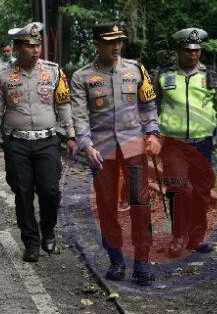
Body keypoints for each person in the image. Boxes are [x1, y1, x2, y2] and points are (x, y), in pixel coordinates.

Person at [70, 21, 161, 286]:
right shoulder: (82, 77)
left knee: (140, 203)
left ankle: (142, 262)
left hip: (133, 146)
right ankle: (116, 260)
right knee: (107, 206)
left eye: (119, 41)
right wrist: (86, 144)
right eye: (110, 42)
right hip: (101, 149)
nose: (116, 46)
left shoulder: (135, 70)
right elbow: (79, 115)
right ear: (97, 44)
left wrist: (153, 133)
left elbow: (148, 105)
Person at [0, 22, 77, 263]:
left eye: (37, 45)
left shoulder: (54, 72)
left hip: (47, 140)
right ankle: (31, 242)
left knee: (50, 190)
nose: (35, 50)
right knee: (23, 193)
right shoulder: (2, 76)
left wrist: (71, 135)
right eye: (29, 46)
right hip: (17, 143)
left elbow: (64, 104)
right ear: (17, 48)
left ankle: (48, 230)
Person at [154, 28, 217, 257]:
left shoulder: (211, 76)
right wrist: (149, 132)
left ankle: (196, 237)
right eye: (188, 51)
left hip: (202, 143)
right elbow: (150, 105)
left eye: (197, 51)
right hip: (173, 143)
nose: (193, 55)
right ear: (179, 50)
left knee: (202, 192)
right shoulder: (163, 74)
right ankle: (178, 236)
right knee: (177, 187)